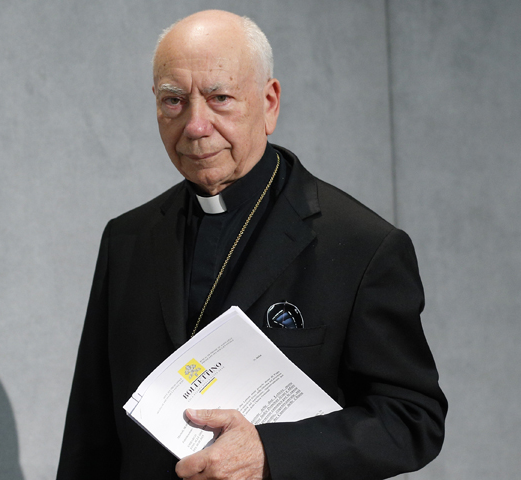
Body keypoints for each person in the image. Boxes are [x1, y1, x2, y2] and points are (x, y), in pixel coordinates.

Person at [56, 10, 446, 480]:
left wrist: (272, 453)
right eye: (174, 100)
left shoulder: (362, 245)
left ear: (269, 103)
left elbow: (412, 418)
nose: (196, 125)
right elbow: (91, 429)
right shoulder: (127, 238)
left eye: (220, 98)